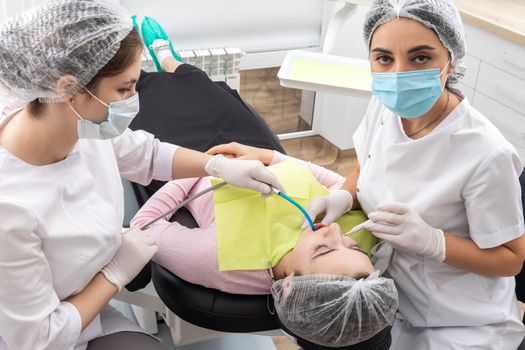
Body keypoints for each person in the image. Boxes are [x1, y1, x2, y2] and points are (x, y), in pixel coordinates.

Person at [0, 1, 285, 349]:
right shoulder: (10, 208)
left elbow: (144, 154)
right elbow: (38, 339)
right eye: (124, 89)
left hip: (83, 300)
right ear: (68, 89)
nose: (133, 99)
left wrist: (216, 166)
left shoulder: (74, 125)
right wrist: (114, 273)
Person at [251, 0, 523, 348]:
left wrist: (433, 242)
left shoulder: (486, 154)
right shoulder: (385, 104)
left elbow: (511, 259)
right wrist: (344, 195)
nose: (398, 74)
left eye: (420, 58)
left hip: (463, 319)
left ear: (451, 58)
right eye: (384, 58)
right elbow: (367, 163)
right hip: (386, 297)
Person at [130, 140, 398, 348]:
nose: (336, 230)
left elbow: (145, 224)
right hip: (254, 150)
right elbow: (344, 185)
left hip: (192, 154)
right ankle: (172, 65)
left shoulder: (220, 257)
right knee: (207, 84)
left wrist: (210, 163)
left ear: (290, 287)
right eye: (353, 246)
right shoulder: (360, 249)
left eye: (323, 249)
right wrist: (268, 155)